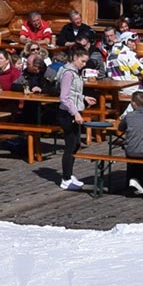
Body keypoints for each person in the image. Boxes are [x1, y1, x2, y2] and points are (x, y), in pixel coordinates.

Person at [54, 44, 90, 191]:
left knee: (75, 144)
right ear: (75, 58)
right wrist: (75, 112)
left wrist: (84, 97)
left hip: (73, 111)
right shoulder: (68, 72)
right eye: (82, 61)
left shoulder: (74, 71)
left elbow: (73, 92)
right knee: (70, 145)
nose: (84, 64)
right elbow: (64, 97)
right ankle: (66, 179)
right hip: (68, 114)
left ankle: (69, 174)